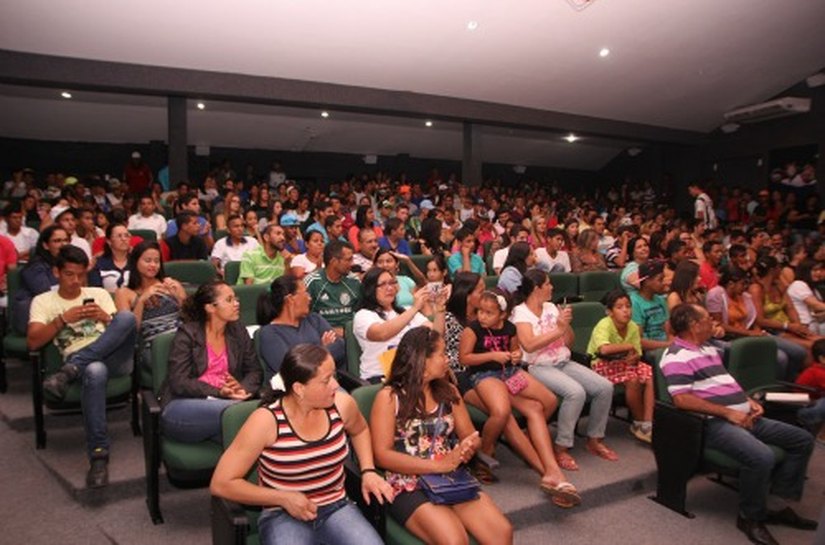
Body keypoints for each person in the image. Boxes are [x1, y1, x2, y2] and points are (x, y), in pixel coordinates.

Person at [660, 303, 816, 545]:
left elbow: (726, 382)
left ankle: (775, 504)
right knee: (761, 456)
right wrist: (728, 413)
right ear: (693, 325)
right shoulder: (676, 357)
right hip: (713, 424)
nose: (713, 323)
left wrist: (748, 401)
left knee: (802, 440)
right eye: (707, 319)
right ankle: (750, 516)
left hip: (744, 416)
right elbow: (681, 400)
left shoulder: (709, 349)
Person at [210, 343, 391, 545]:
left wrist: (368, 470)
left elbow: (360, 430)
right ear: (299, 388)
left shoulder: (341, 405)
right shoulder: (266, 421)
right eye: (326, 380)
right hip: (282, 514)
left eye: (333, 376)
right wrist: (283, 498)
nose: (335, 385)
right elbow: (222, 483)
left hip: (336, 506)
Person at [370, 327, 513, 545]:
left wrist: (468, 446)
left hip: (449, 478)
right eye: (442, 354)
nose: (448, 359)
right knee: (454, 540)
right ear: (423, 360)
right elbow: (381, 455)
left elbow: (469, 435)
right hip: (407, 481)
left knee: (502, 533)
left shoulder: (449, 392)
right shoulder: (389, 398)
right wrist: (439, 465)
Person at [28, 245, 137, 488]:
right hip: (86, 362)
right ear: (56, 272)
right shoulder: (43, 301)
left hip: (114, 358)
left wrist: (105, 318)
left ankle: (71, 370)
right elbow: (33, 341)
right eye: (69, 275)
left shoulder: (98, 293)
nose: (76, 281)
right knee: (94, 370)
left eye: (81, 275)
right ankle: (99, 454)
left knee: (126, 317)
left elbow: (120, 329)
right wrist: (63, 319)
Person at [459, 290, 580, 506]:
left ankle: (533, 445)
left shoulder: (510, 328)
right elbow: (464, 358)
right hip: (481, 375)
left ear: (503, 315)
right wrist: (493, 356)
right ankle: (547, 472)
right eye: (480, 311)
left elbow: (515, 352)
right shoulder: (473, 329)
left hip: (506, 373)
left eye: (488, 313)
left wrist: (515, 356)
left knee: (545, 402)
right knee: (505, 415)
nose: (482, 316)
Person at [513, 269, 616, 470]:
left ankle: (594, 439)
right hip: (537, 366)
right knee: (575, 393)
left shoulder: (551, 307)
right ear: (536, 289)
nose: (552, 287)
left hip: (563, 361)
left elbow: (568, 343)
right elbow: (529, 345)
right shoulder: (520, 312)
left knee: (605, 387)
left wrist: (565, 325)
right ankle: (561, 447)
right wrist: (558, 329)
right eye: (548, 284)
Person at [160, 280, 262, 444]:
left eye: (236, 299)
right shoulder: (187, 334)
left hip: (228, 402)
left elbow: (254, 371)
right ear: (210, 308)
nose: (236, 304)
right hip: (183, 405)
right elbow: (179, 381)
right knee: (245, 416)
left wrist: (242, 388)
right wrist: (219, 391)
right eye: (229, 300)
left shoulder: (238, 330)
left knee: (240, 435)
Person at [708, 267, 807, 381]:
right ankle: (773, 387)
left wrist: (757, 332)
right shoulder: (717, 294)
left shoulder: (744, 296)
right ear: (731, 284)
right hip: (732, 337)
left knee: (798, 352)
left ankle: (789, 383)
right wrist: (750, 333)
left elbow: (753, 319)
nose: (745, 287)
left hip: (751, 334)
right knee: (781, 358)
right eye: (742, 284)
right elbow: (720, 324)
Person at [586, 289, 654, 444]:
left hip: (623, 363)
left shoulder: (633, 327)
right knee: (634, 379)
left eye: (628, 306)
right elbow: (603, 350)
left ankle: (647, 423)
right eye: (619, 307)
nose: (626, 310)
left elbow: (637, 353)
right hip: (602, 364)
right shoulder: (604, 324)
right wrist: (628, 346)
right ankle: (639, 422)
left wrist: (634, 357)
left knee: (649, 374)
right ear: (609, 311)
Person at [353, 267, 443, 382]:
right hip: (380, 375)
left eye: (392, 282)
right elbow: (382, 334)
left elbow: (436, 335)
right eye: (383, 284)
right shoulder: (363, 315)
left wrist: (441, 307)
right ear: (370, 289)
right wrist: (415, 308)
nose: (390, 288)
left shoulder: (406, 310)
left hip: (410, 373)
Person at [115, 241, 185, 379]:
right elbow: (128, 332)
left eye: (157, 261)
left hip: (181, 340)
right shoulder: (124, 293)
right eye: (147, 261)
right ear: (135, 262)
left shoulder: (171, 284)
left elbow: (190, 318)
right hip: (153, 346)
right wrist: (141, 300)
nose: (153, 265)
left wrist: (179, 298)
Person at [257, 274, 345, 380]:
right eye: (306, 293)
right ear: (290, 299)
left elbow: (340, 346)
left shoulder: (314, 319)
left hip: (326, 382)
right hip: (294, 391)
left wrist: (309, 356)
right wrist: (322, 348)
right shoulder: (269, 333)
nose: (310, 298)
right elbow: (291, 370)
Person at [12, 225, 70, 334]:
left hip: (60, 316)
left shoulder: (67, 265)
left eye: (66, 240)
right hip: (35, 321)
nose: (63, 245)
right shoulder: (35, 268)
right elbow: (47, 296)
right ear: (45, 245)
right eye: (57, 241)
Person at [304, 240, 361, 336]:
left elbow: (362, 312)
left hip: (351, 334)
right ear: (333, 261)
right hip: (321, 335)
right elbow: (302, 317)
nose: (352, 264)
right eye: (348, 260)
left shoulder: (354, 281)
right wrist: (331, 331)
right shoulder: (312, 282)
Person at [629, 261, 672, 358]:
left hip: (665, 345)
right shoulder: (634, 302)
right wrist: (668, 345)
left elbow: (668, 329)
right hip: (649, 351)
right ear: (647, 281)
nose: (663, 283)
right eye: (660, 280)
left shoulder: (660, 300)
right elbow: (639, 341)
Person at [786, 259, 825, 335]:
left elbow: (816, 313)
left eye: (820, 270)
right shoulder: (798, 284)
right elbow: (816, 305)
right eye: (815, 270)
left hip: (816, 324)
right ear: (806, 271)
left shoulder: (813, 289)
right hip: (804, 325)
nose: (819, 273)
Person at [89, 223, 131, 292]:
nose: (124, 239)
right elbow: (95, 291)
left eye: (126, 236)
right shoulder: (98, 263)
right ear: (109, 241)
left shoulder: (137, 262)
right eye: (119, 236)